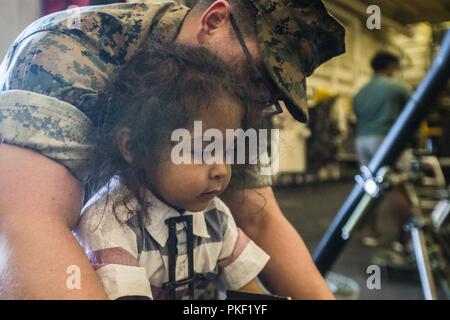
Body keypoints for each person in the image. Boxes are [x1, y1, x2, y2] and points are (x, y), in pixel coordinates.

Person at [0, 0, 345, 299]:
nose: (256, 101)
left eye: (271, 96)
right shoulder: (69, 49)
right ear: (213, 21)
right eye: (257, 77)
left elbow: (257, 215)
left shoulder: (240, 93)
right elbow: (27, 226)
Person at [75, 43, 270, 300]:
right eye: (201, 151)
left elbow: (250, 291)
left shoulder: (216, 216)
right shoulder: (108, 222)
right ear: (132, 147)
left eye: (228, 151)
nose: (221, 170)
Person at [353, 51, 412, 248]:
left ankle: (372, 233)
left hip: (363, 139)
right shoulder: (397, 87)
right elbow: (415, 108)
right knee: (396, 184)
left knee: (370, 185)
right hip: (386, 139)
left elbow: (357, 116)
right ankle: (402, 238)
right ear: (390, 66)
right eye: (396, 66)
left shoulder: (361, 91)